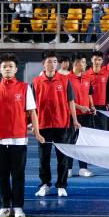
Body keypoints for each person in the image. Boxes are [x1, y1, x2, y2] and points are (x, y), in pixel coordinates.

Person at [0, 53, 40, 217]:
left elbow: (32, 112)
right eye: (4, 66)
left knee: (18, 175)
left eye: (11, 66)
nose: (8, 69)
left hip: (19, 139)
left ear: (16, 69)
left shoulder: (24, 88)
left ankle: (18, 207)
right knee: (1, 176)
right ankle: (4, 207)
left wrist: (37, 132)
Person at [31, 52, 76, 197]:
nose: (53, 64)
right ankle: (45, 184)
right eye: (49, 61)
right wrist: (34, 125)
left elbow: (71, 101)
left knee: (62, 157)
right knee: (43, 158)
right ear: (43, 64)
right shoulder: (36, 82)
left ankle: (61, 185)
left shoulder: (65, 80)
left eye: (55, 61)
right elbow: (31, 107)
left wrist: (75, 120)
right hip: (43, 125)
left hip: (62, 124)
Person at [69, 55, 95, 177]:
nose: (85, 65)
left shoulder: (87, 77)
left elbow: (89, 95)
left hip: (86, 116)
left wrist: (92, 106)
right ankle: (68, 168)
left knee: (83, 142)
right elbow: (66, 100)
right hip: (71, 116)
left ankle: (83, 168)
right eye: (83, 62)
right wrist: (80, 107)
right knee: (70, 142)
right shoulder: (66, 79)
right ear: (76, 64)